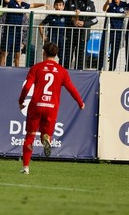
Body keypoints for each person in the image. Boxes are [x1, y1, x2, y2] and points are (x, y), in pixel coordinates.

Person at [18, 42, 85, 174]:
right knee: (46, 134)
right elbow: (71, 89)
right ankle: (46, 138)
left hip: (36, 106)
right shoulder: (62, 71)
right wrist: (80, 102)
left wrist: (21, 101)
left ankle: (26, 167)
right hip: (51, 107)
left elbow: (26, 87)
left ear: (44, 53)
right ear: (56, 54)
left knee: (30, 136)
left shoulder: (36, 68)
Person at [0, 0, 46, 67]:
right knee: (4, 52)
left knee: (18, 53)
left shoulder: (24, 5)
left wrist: (43, 4)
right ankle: (0, 69)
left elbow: (33, 5)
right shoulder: (11, 3)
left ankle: (17, 70)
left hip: (18, 32)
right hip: (9, 31)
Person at [63, 0, 98, 70]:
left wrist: (84, 23)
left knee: (80, 58)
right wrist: (73, 21)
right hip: (70, 34)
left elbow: (95, 19)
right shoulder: (69, 1)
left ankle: (79, 76)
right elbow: (63, 16)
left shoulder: (90, 3)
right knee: (67, 57)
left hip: (83, 34)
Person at [98, 0, 128, 71]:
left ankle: (112, 70)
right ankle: (99, 68)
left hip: (117, 33)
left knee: (114, 52)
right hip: (107, 31)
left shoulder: (124, 4)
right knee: (103, 50)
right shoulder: (111, 4)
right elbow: (104, 9)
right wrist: (107, 3)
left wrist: (127, 12)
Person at [38, 0, 65, 65]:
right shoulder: (50, 16)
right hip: (52, 39)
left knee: (62, 57)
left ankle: (60, 69)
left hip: (62, 39)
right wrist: (43, 36)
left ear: (63, 6)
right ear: (54, 6)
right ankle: (46, 67)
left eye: (60, 5)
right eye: (56, 5)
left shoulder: (66, 16)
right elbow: (40, 25)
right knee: (48, 56)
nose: (58, 7)